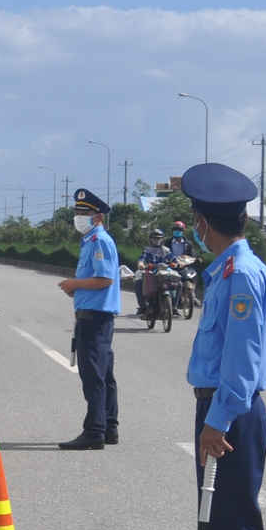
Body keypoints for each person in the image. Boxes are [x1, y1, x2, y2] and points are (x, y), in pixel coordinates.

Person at [176, 162, 266, 530]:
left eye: (195, 222)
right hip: (219, 408)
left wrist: (216, 422)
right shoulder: (227, 271)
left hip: (230, 412)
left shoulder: (241, 276)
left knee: (233, 523)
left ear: (204, 224)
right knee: (213, 521)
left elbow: (242, 361)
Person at [55, 190, 120, 450]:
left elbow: (105, 279)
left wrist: (74, 282)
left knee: (93, 376)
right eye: (77, 212)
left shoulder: (100, 241)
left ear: (98, 216)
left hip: (96, 318)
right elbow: (95, 280)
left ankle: (94, 431)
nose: (78, 217)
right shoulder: (90, 240)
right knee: (103, 374)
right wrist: (77, 288)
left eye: (84, 213)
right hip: (92, 315)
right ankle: (108, 426)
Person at [135, 228, 177, 316]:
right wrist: (141, 264)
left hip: (165, 272)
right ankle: (142, 307)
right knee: (138, 283)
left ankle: (174, 306)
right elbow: (142, 258)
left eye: (159, 238)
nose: (156, 240)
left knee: (179, 283)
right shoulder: (147, 249)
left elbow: (174, 259)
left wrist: (179, 263)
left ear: (162, 239)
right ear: (150, 239)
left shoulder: (166, 250)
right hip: (152, 272)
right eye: (154, 238)